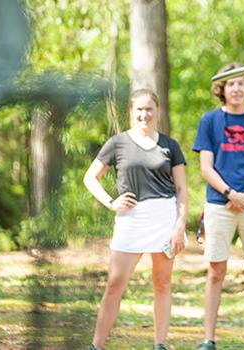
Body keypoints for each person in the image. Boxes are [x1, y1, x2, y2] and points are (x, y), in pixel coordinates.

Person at [84, 89, 188, 350]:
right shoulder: (117, 143)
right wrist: (111, 202)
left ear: (158, 111)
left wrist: (179, 226)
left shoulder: (170, 145)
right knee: (115, 283)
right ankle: (96, 346)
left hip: (165, 219)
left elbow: (182, 189)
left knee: (162, 283)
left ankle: (160, 344)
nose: (145, 114)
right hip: (130, 219)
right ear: (131, 112)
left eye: (149, 109)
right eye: (139, 109)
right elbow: (90, 178)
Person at [192, 62, 244, 350]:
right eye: (231, 84)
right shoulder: (209, 121)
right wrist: (230, 193)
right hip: (219, 204)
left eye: (241, 82)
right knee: (216, 272)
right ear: (222, 89)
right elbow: (206, 167)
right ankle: (208, 339)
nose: (237, 88)